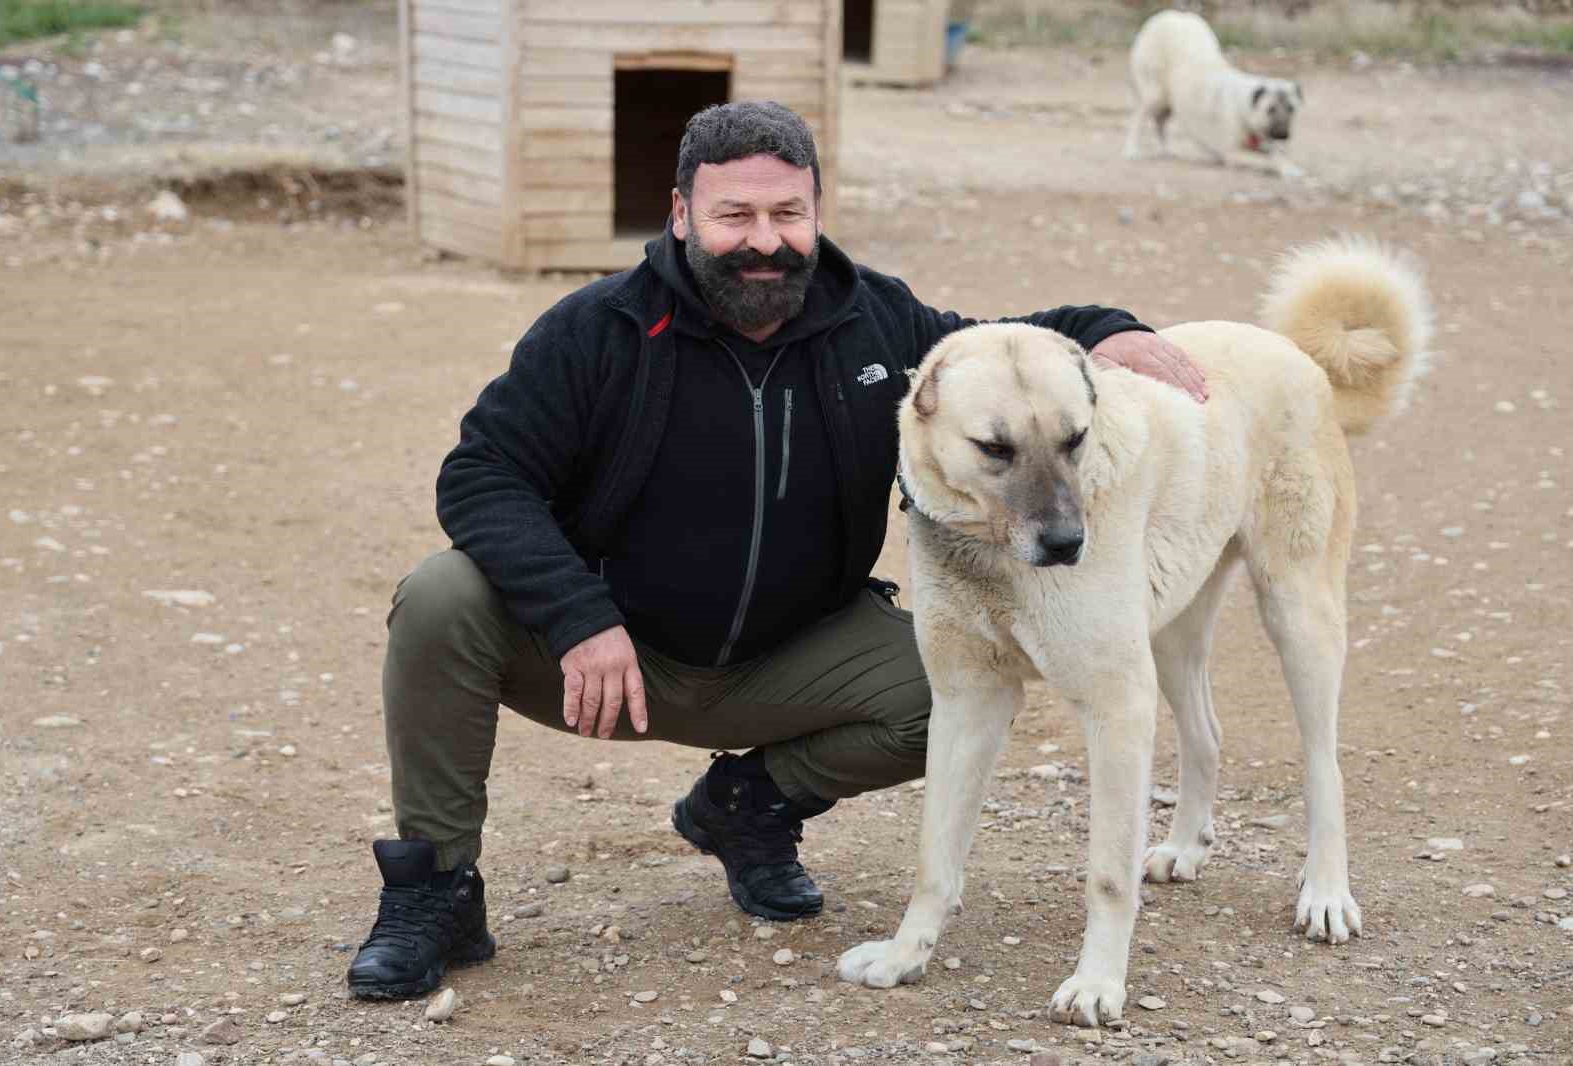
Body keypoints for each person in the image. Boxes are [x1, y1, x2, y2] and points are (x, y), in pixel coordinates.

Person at [345, 101, 1206, 1000]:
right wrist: (576, 615)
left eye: (788, 215)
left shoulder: (874, 321)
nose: (767, 242)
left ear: (817, 211)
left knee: (947, 696)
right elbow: (481, 474)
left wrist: (1105, 326)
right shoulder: (595, 330)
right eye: (735, 217)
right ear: (681, 215)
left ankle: (750, 808)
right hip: (613, 657)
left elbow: (997, 348)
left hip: (794, 660)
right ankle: (436, 893)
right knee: (440, 601)